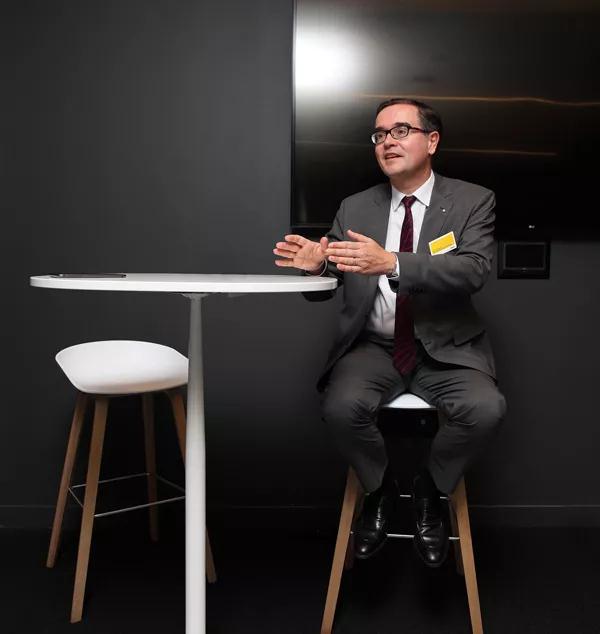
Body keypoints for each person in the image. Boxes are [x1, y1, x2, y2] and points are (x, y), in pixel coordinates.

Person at [273, 98, 506, 567]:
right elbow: (331, 282)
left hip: (445, 348)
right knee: (340, 408)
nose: (387, 142)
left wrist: (394, 262)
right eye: (380, 135)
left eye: (401, 131)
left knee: (485, 410)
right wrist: (316, 269)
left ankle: (429, 490)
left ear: (431, 141)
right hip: (374, 348)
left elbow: (474, 270)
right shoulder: (355, 207)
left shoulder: (472, 200)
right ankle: (378, 490)